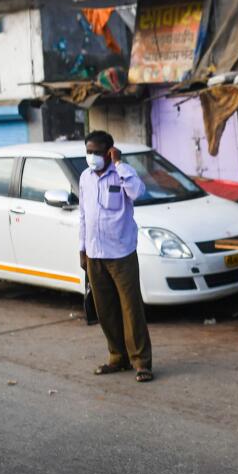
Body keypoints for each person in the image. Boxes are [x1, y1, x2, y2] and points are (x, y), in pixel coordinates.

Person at [77, 130, 153, 383]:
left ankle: (141, 362)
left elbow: (137, 192)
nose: (92, 156)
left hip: (121, 254)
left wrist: (119, 164)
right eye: (89, 151)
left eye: (97, 152)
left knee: (131, 310)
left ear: (110, 151)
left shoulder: (122, 174)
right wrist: (82, 249)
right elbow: (83, 216)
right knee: (105, 310)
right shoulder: (85, 178)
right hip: (95, 254)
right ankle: (117, 357)